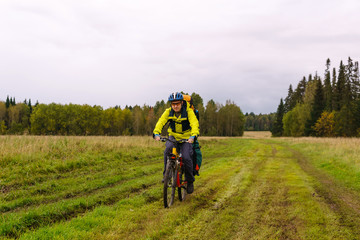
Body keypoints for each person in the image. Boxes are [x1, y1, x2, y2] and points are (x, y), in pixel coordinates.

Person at [153, 92, 200, 194]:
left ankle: (190, 181)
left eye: (177, 104)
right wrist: (156, 133)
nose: (175, 106)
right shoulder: (168, 112)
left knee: (187, 157)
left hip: (186, 138)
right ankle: (167, 175)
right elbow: (161, 122)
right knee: (167, 150)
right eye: (173, 104)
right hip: (173, 136)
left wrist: (193, 136)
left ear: (182, 103)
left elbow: (194, 124)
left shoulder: (188, 112)